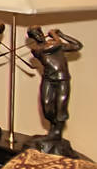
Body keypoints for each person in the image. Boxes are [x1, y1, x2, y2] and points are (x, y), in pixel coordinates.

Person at [25, 26, 83, 158]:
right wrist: (55, 35)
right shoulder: (37, 48)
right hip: (48, 79)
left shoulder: (55, 44)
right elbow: (52, 47)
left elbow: (77, 46)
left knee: (60, 107)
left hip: (62, 79)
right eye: (34, 34)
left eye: (39, 33)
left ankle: (56, 133)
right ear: (32, 38)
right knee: (46, 106)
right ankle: (53, 129)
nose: (38, 36)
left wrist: (62, 35)